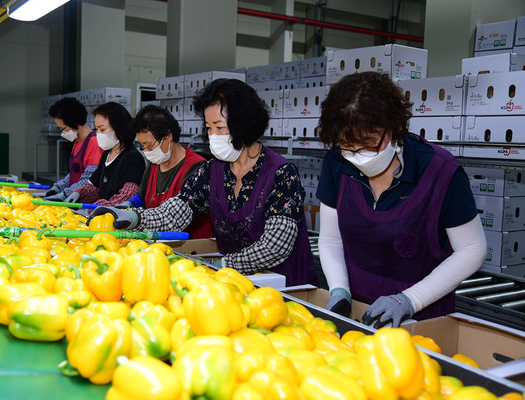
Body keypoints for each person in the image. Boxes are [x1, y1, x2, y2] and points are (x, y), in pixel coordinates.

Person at [87, 78, 316, 286]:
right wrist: (130, 217)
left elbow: (276, 246)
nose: (213, 136)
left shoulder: (281, 174)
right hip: (235, 283)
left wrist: (224, 265)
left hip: (285, 288)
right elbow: (174, 214)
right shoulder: (212, 170)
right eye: (208, 128)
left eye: (220, 127)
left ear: (244, 125)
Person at [316, 71, 486, 328]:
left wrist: (409, 300)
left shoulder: (440, 171)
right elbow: (330, 239)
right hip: (358, 311)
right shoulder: (337, 165)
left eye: (368, 145)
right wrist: (339, 290)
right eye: (347, 146)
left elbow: (472, 249)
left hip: (423, 315)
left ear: (394, 127)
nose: (356, 155)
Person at [130, 105, 214, 239]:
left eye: (149, 145)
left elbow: (174, 215)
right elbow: (142, 196)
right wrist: (128, 205)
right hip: (157, 246)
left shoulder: (197, 167)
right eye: (143, 146)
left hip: (190, 249)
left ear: (168, 136)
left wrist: (134, 218)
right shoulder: (154, 165)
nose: (147, 152)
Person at [63, 102, 145, 206]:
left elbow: (128, 195)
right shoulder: (107, 154)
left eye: (102, 129)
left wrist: (102, 206)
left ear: (118, 127)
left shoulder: (132, 158)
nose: (98, 134)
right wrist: (79, 193)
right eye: (97, 129)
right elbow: (95, 187)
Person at [44, 97, 103, 201]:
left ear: (74, 123)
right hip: (72, 199)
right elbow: (74, 173)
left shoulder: (94, 143)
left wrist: (65, 194)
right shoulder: (77, 142)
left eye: (63, 129)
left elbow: (89, 179)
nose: (62, 133)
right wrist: (58, 188)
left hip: (83, 203)